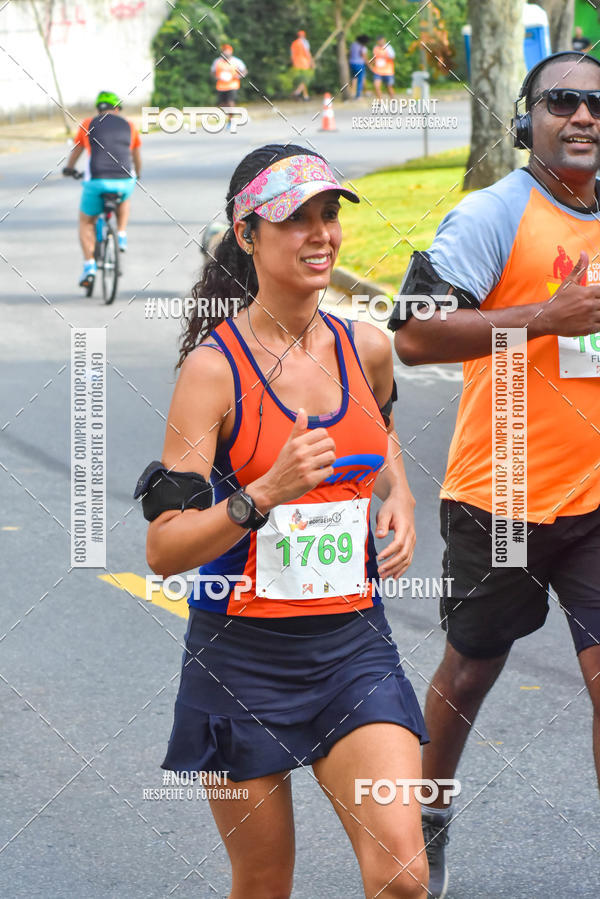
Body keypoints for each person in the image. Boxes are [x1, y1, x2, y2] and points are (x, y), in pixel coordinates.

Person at [138, 143, 430, 898]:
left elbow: (380, 437)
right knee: (264, 883)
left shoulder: (366, 348)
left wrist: (396, 493)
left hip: (354, 648)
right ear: (246, 235)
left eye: (328, 213)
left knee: (402, 872)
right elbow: (165, 547)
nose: (320, 233)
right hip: (241, 661)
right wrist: (260, 494)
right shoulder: (213, 370)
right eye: (294, 218)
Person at [389, 52, 600, 898]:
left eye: (596, 103)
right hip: (500, 498)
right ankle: (429, 812)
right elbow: (413, 334)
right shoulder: (493, 214)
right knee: (472, 668)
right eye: (562, 102)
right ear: (528, 119)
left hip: (595, 498)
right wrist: (545, 317)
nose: (582, 116)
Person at [63, 90, 141, 289]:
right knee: (124, 197)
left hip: (97, 181)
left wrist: (69, 169)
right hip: (124, 180)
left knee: (86, 221)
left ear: (99, 109)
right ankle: (121, 234)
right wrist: (137, 175)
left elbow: (76, 152)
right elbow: (135, 155)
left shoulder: (88, 123)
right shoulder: (129, 125)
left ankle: (89, 266)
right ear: (117, 109)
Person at [211, 43, 247, 125]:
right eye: (224, 51)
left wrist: (238, 76)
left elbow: (244, 71)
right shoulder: (217, 61)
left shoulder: (236, 61)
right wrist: (217, 77)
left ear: (231, 52)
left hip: (232, 85)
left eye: (228, 51)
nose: (226, 53)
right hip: (221, 86)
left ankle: (231, 120)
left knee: (230, 102)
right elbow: (212, 72)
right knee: (222, 105)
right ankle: (230, 117)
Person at [290, 29, 314, 100]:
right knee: (305, 79)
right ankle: (297, 92)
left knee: (301, 79)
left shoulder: (294, 43)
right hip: (304, 62)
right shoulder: (304, 42)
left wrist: (293, 62)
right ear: (303, 35)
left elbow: (292, 55)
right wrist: (311, 62)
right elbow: (307, 53)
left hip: (296, 63)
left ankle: (305, 96)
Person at [371, 36, 395, 100]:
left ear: (384, 40)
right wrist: (371, 66)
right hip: (378, 71)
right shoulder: (375, 48)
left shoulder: (388, 47)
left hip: (388, 71)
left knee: (389, 87)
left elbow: (393, 57)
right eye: (379, 41)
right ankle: (380, 101)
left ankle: (392, 99)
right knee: (376, 86)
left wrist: (384, 56)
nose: (380, 42)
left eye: (381, 40)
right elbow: (374, 58)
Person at [349, 34, 369, 99]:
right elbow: (364, 56)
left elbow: (350, 53)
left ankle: (352, 92)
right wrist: (368, 64)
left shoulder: (353, 45)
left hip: (352, 63)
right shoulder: (363, 47)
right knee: (360, 79)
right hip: (359, 64)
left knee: (354, 78)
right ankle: (358, 95)